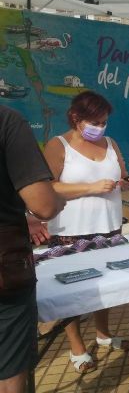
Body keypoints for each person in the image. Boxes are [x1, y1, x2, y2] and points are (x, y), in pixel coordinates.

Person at [43, 91, 129, 373]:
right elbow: (48, 187)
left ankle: (103, 333)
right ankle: (76, 347)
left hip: (109, 228)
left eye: (105, 121)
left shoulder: (110, 143)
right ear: (76, 118)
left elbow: (122, 175)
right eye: (95, 121)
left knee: (105, 286)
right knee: (71, 291)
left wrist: (124, 183)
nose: (101, 127)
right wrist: (91, 188)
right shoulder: (58, 145)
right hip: (71, 232)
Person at [0, 105, 65, 393]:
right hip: (5, 275)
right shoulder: (6, 120)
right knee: (10, 371)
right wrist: (56, 201)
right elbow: (44, 204)